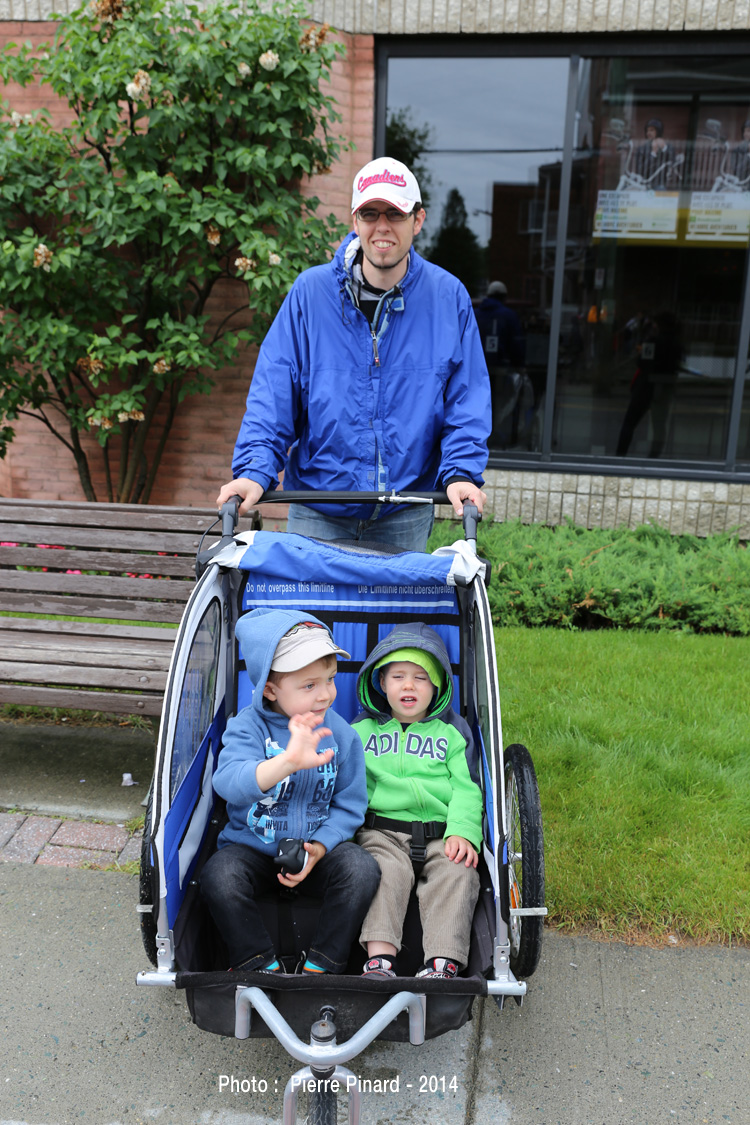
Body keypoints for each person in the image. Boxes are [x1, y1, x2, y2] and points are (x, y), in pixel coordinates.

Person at [216, 155, 491, 552]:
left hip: (404, 513)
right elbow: (273, 397)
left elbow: (466, 402)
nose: (382, 226)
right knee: (311, 618)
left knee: (393, 617)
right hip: (318, 512)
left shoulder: (449, 299)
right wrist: (255, 472)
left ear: (417, 220)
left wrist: (461, 473)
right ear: (354, 220)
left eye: (395, 214)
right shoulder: (310, 295)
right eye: (370, 213)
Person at [200, 610, 381, 974]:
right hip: (253, 848)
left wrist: (322, 847)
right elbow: (228, 782)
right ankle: (257, 962)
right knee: (218, 877)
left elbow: (350, 804)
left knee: (362, 869)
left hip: (314, 850)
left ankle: (323, 964)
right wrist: (286, 762)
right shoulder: (246, 727)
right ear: (270, 688)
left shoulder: (341, 734)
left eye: (330, 679)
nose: (326, 694)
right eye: (309, 685)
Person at [351, 623, 483, 980]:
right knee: (382, 873)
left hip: (442, 834)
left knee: (459, 873)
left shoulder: (452, 733)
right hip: (382, 831)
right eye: (398, 676)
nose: (408, 685)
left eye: (421, 677)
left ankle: (443, 963)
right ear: (380, 682)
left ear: (438, 685)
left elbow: (468, 788)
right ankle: (380, 961)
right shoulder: (361, 733)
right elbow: (350, 787)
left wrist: (463, 831)